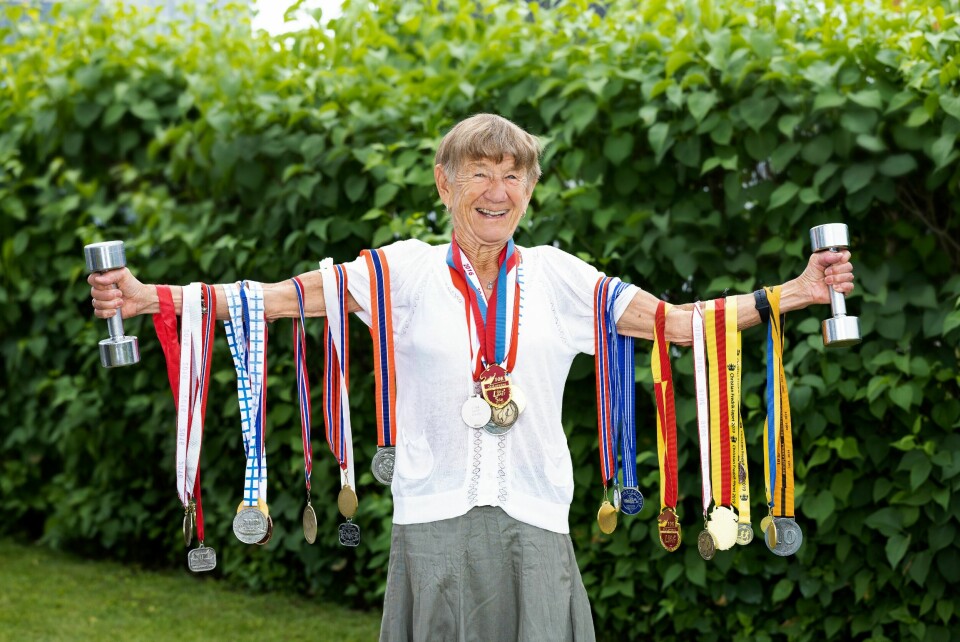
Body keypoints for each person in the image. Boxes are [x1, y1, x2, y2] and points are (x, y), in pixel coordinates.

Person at [89, 113, 855, 641]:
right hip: (433, 526)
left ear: (530, 188)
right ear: (443, 182)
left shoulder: (558, 277)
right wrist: (154, 297)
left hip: (535, 527)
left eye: (514, 174)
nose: (499, 189)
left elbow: (681, 324)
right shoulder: (402, 271)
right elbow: (281, 298)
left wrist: (797, 291)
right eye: (480, 172)